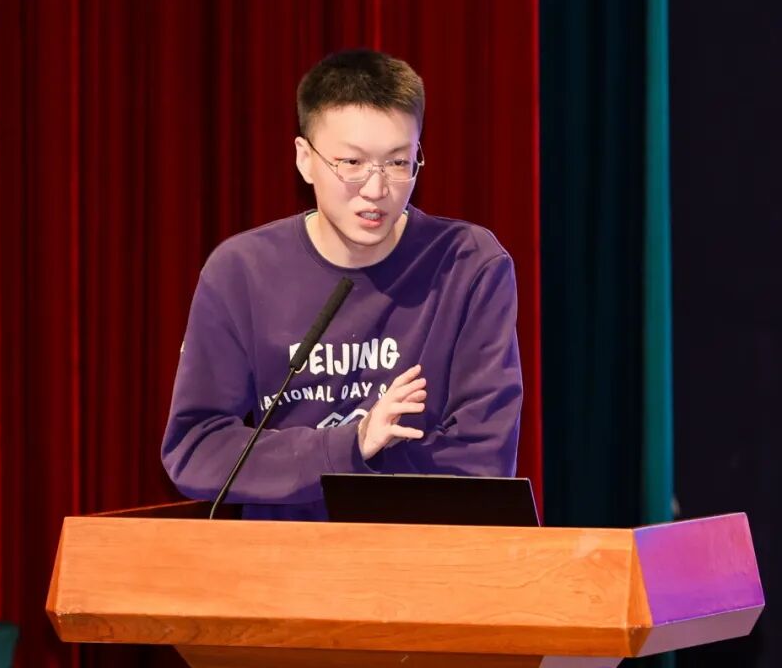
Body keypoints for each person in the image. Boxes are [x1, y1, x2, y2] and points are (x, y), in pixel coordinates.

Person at [161, 49, 522, 520]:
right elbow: (196, 451)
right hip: (284, 557)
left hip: (417, 553)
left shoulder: (467, 264)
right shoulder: (241, 272)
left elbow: (483, 460)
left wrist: (350, 460)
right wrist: (350, 445)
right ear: (305, 159)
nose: (376, 190)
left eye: (398, 163)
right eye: (351, 162)